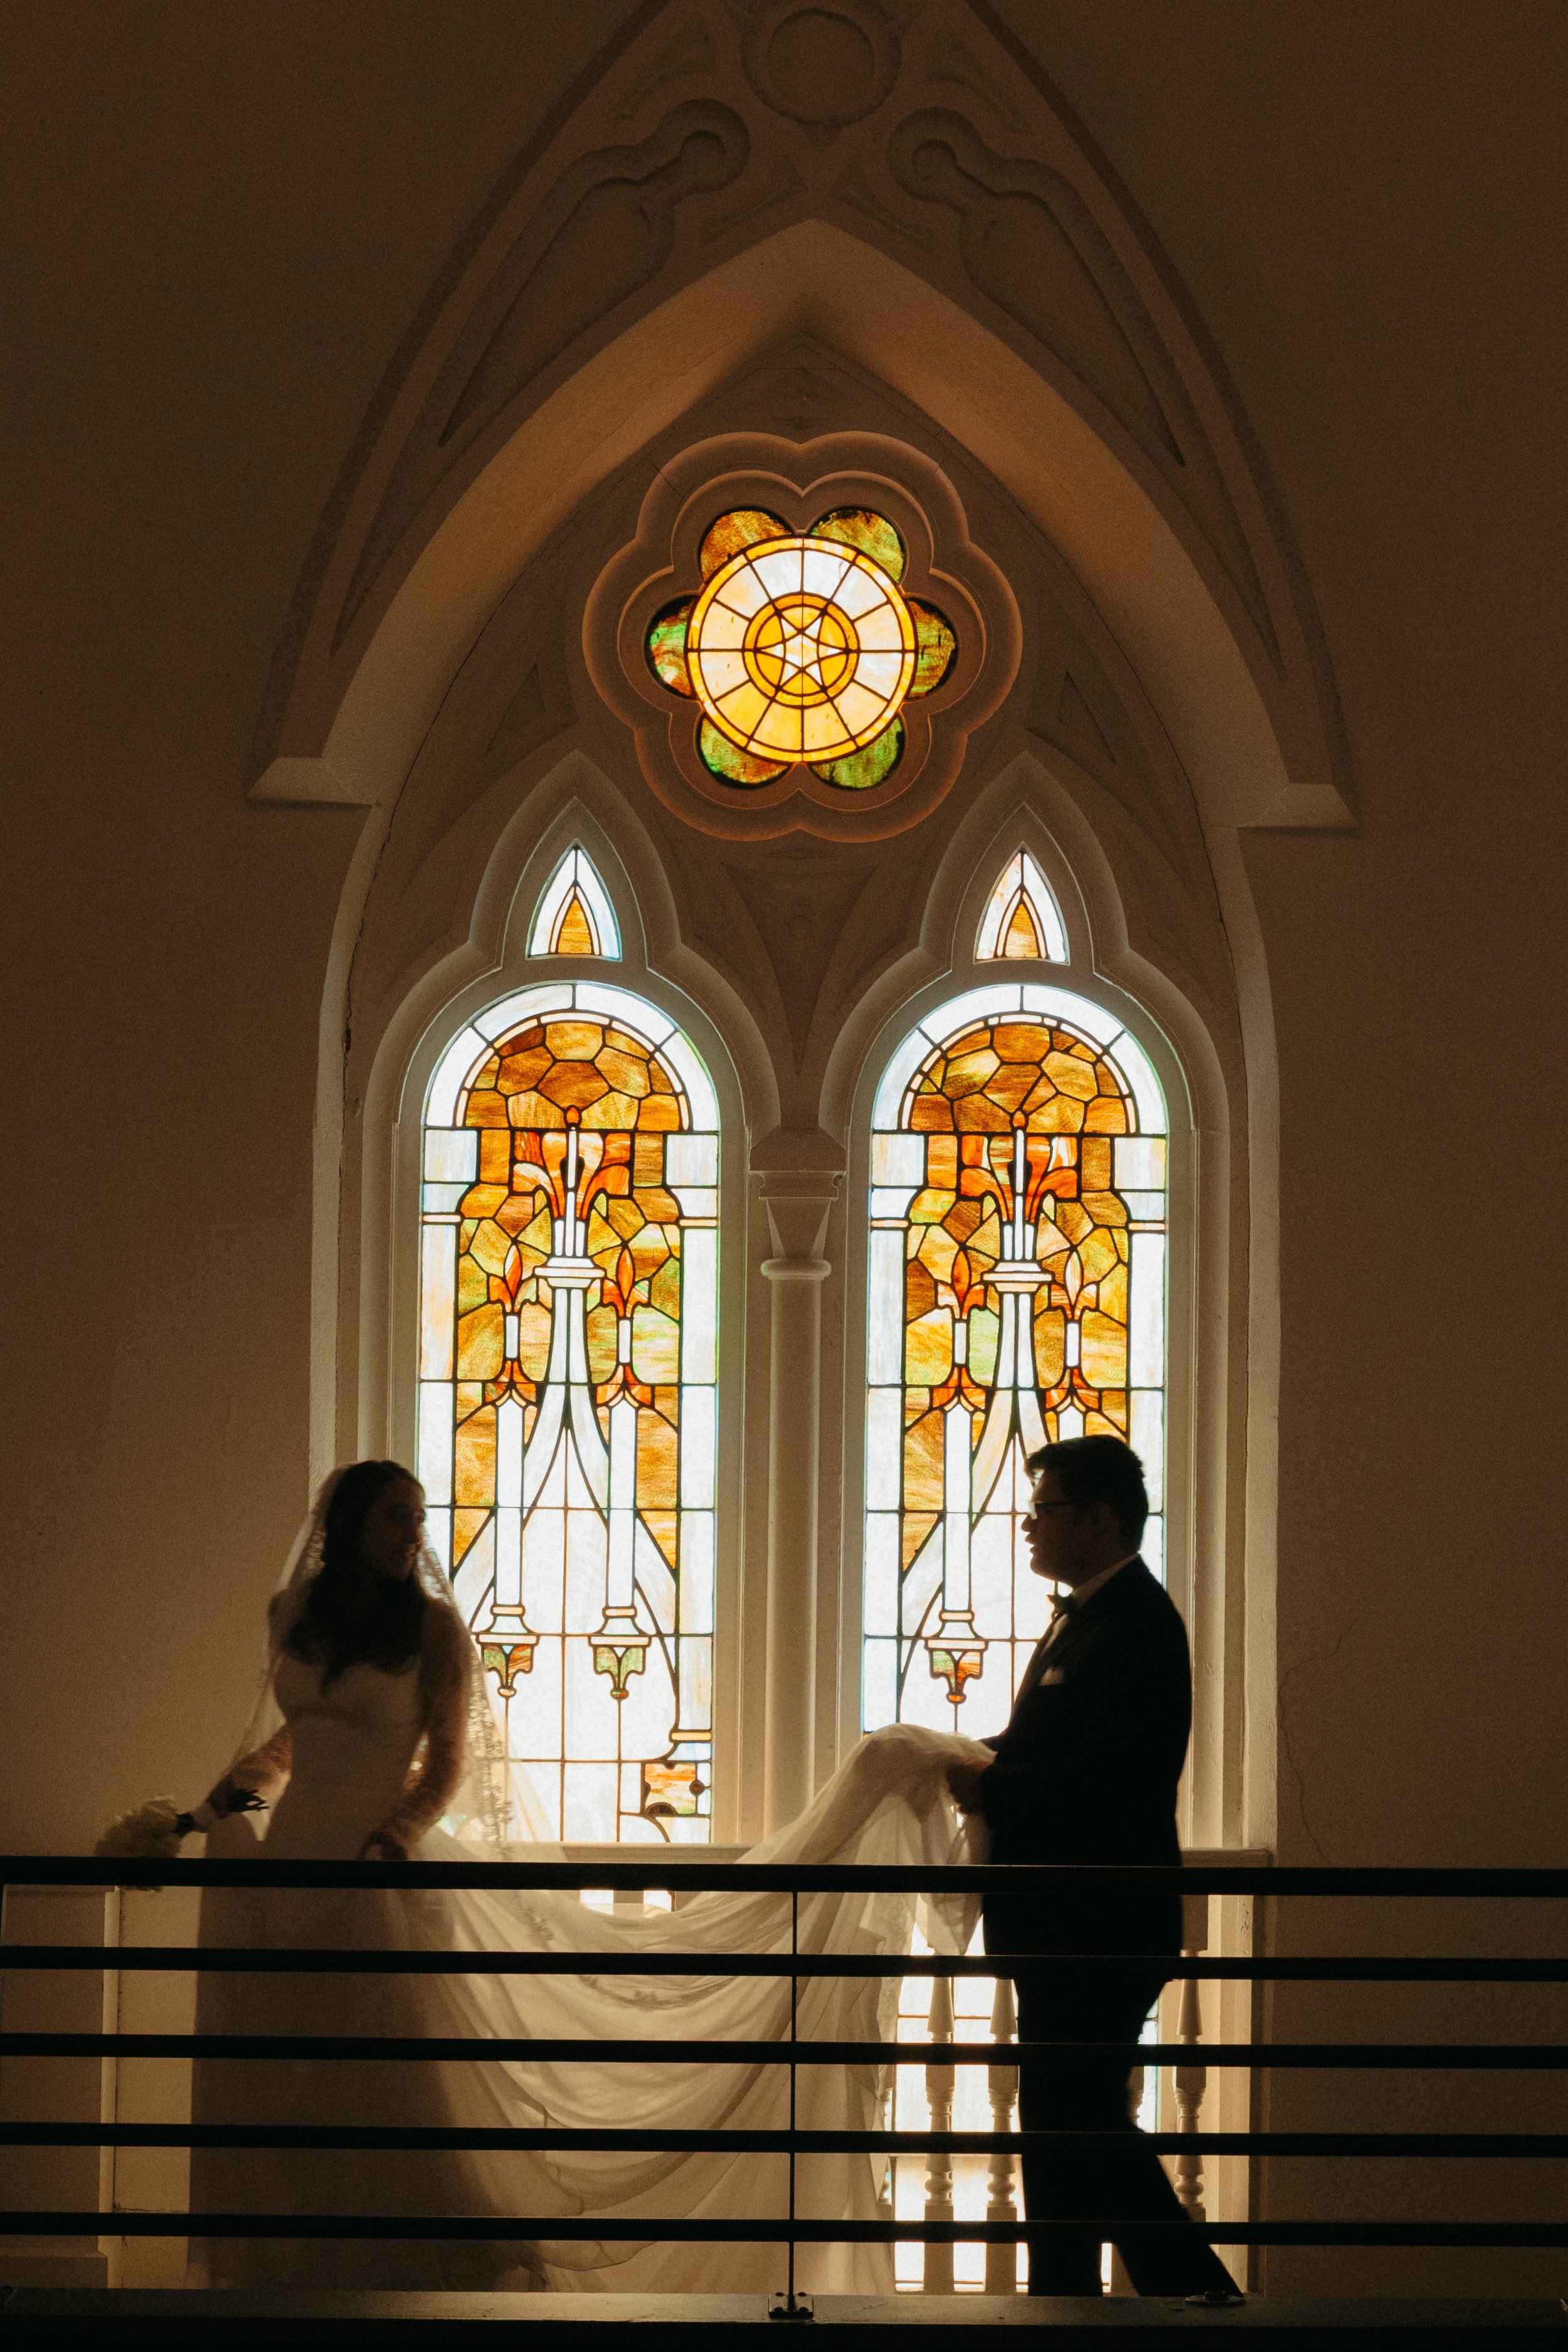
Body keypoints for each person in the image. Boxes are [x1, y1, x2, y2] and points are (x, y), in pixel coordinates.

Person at [185, 1459, 993, 2294]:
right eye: (395, 1516)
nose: (412, 1534)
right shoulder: (293, 1616)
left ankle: (411, 2269)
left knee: (393, 2083)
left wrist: (396, 1832)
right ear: (349, 1523)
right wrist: (197, 1818)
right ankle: (307, 2263)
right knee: (293, 2073)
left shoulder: (431, 1631)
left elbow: (450, 1761)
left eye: (419, 1518)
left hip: (376, 1868)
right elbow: (285, 1746)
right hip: (289, 1862)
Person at [945, 1435, 1240, 2301]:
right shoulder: (1083, 1616)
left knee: (1078, 2119)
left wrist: (992, 1785)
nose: (1030, 1528)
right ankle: (1069, 2299)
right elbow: (1045, 1749)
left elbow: (1115, 1781)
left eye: (1046, 1509)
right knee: (1061, 2125)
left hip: (1099, 1921)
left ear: (1101, 1516)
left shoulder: (1139, 1624)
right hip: (1059, 1921)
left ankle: (1192, 2286)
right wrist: (952, 1757)